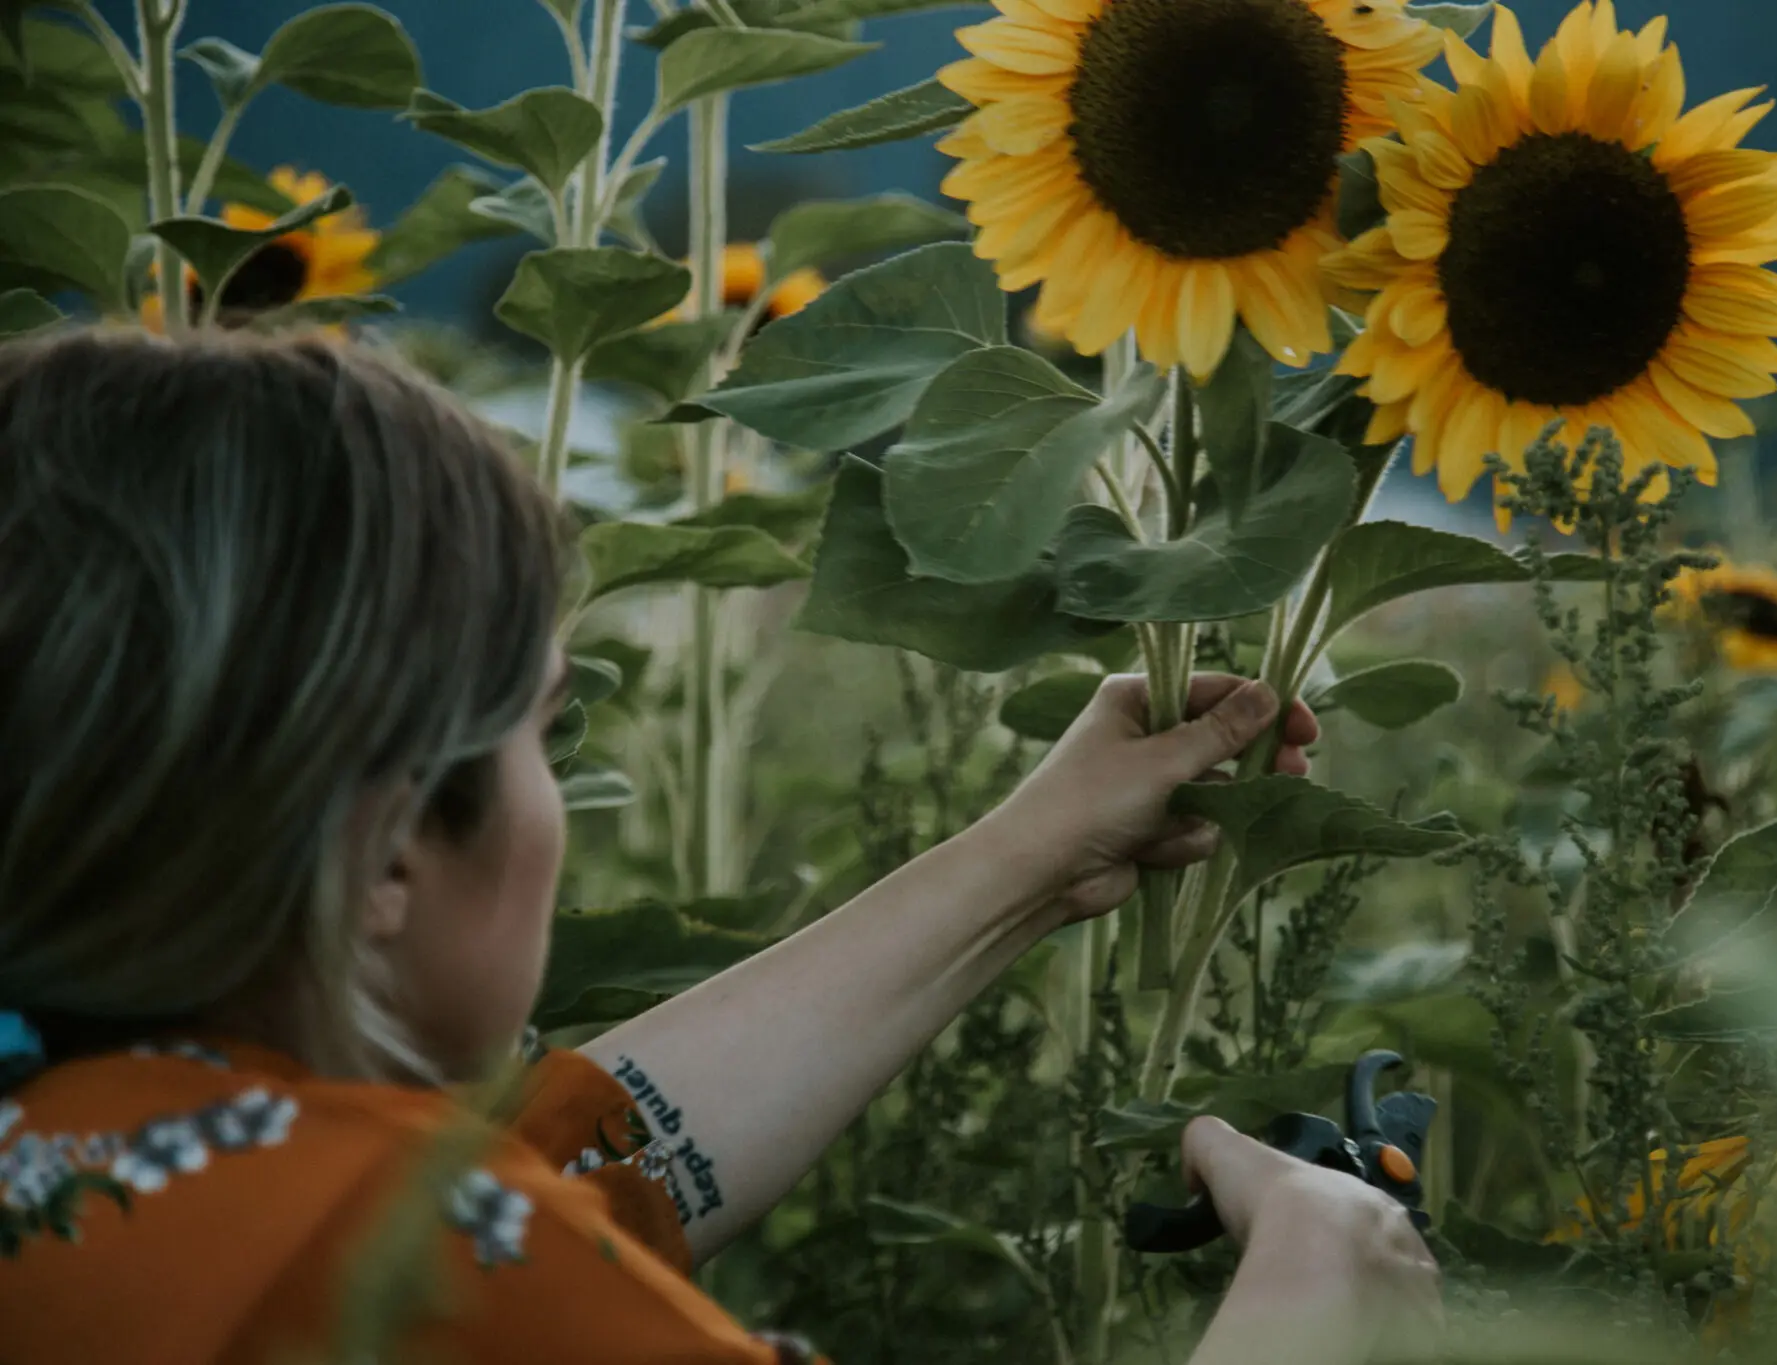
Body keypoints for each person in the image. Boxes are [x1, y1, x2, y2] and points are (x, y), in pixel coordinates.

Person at [0, 328, 1441, 1364]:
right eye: (539, 736)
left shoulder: (88, 1161)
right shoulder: (408, 1267)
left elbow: (548, 1188)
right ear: (386, 851)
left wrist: (1026, 862)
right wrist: (1315, 1299)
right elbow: (484, 1248)